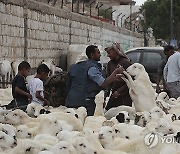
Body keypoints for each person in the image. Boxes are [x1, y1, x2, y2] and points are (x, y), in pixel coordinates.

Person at [84, 45, 124, 116]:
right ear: (92, 55)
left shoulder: (96, 66)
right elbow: (103, 83)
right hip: (92, 100)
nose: (100, 55)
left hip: (99, 98)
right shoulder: (92, 68)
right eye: (98, 53)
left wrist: (114, 79)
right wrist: (116, 72)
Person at [104, 43, 132, 111]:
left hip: (125, 96)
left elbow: (131, 81)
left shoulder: (126, 63)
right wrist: (105, 96)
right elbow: (109, 81)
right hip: (114, 95)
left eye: (109, 53)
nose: (108, 55)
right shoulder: (110, 64)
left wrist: (119, 92)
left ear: (115, 51)